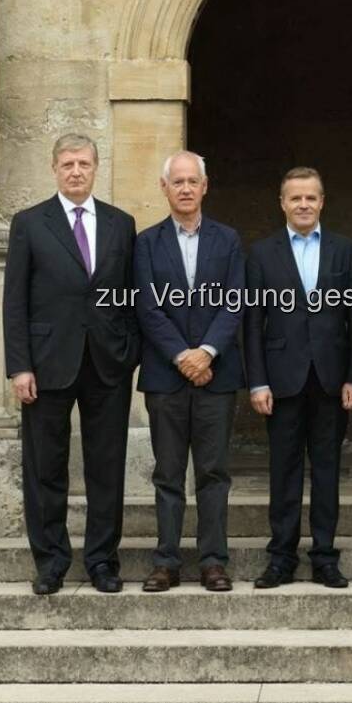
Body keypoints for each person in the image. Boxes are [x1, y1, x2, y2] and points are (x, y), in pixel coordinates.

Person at [2, 133, 141, 596]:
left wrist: (130, 354)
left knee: (106, 466)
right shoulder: (29, 223)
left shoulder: (122, 224)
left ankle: (103, 561)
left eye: (83, 163)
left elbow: (130, 296)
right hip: (46, 364)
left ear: (96, 167)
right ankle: (51, 562)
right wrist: (20, 366)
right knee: (46, 466)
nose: (76, 171)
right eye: (67, 164)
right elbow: (14, 300)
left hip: (107, 364)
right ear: (54, 169)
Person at [133, 150, 245, 593]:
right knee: (168, 473)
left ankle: (214, 561)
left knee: (214, 473)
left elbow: (235, 301)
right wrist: (183, 356)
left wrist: (208, 353)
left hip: (216, 376)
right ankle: (166, 561)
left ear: (204, 186)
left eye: (191, 181)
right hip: (166, 376)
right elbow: (147, 306)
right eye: (176, 182)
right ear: (164, 188)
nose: (184, 188)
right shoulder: (146, 243)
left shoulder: (229, 239)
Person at [244, 167, 352, 589]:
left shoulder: (345, 250)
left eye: (311, 197)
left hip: (331, 380)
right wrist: (257, 381)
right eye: (296, 198)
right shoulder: (261, 253)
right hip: (281, 380)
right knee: (284, 471)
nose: (304, 205)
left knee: (328, 471)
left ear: (322, 201)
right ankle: (281, 558)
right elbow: (251, 322)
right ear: (283, 203)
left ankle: (325, 557)